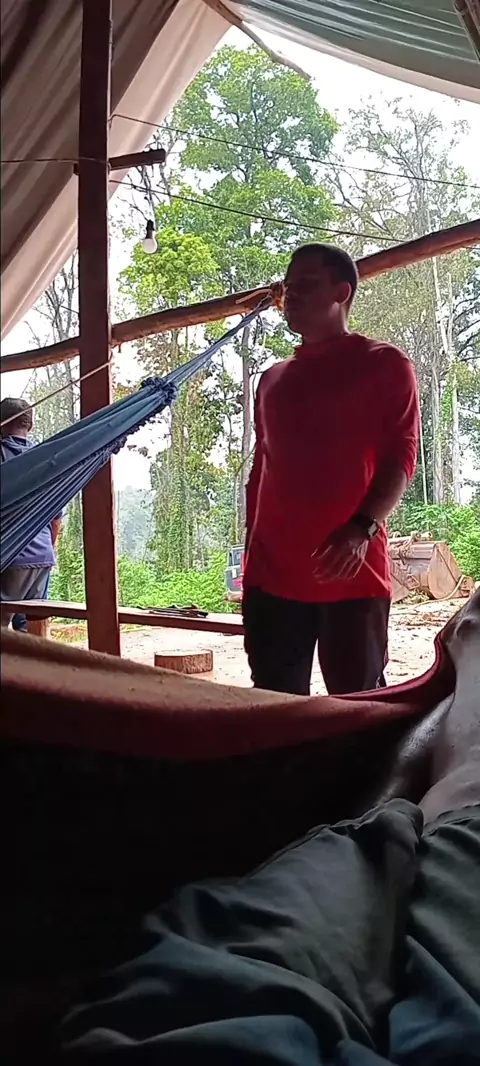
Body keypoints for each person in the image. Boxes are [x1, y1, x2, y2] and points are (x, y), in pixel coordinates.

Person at [243, 244, 419, 695]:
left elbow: (401, 457)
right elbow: (262, 470)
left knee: (358, 707)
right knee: (273, 706)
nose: (291, 295)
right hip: (271, 578)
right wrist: (251, 556)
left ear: (342, 292)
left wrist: (362, 528)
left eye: (306, 284)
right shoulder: (272, 379)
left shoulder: (384, 364)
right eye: (288, 287)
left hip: (353, 575)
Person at [0, 397, 62, 629]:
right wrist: (47, 548)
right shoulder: (46, 458)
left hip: (10, 556)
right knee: (23, 626)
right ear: (30, 425)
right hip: (42, 556)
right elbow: (56, 519)